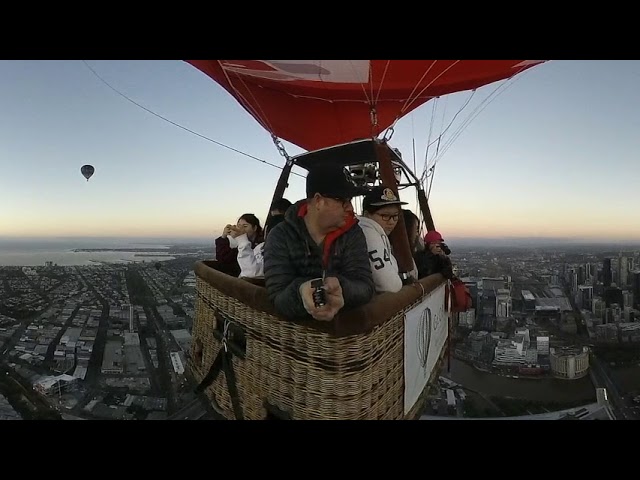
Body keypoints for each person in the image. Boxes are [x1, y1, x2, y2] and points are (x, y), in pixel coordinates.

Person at [263, 163, 375, 322]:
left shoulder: (353, 233)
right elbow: (277, 296)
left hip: (343, 337)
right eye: (343, 200)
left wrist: (340, 287)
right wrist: (301, 292)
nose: (350, 208)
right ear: (318, 201)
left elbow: (365, 287)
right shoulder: (280, 236)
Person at [358, 185, 408, 293]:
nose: (391, 222)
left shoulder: (376, 233)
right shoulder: (368, 233)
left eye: (395, 216)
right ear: (367, 215)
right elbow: (390, 286)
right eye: (385, 216)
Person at [235, 213, 285, 279]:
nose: (241, 230)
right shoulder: (260, 247)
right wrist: (224, 238)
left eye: (245, 226)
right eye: (238, 226)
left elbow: (251, 272)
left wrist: (242, 240)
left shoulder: (264, 248)